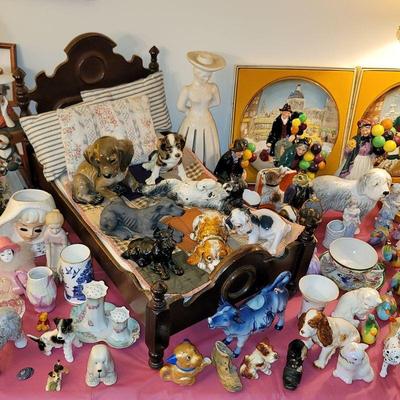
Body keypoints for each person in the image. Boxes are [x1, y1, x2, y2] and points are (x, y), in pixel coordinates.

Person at [177, 51, 226, 171]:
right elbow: (180, 106)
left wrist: (204, 108)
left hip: (207, 121)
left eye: (209, 76)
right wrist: (190, 112)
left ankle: (209, 172)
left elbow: (217, 102)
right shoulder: (187, 89)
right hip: (191, 122)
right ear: (196, 72)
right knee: (188, 144)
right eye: (204, 76)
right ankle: (187, 170)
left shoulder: (213, 87)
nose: (206, 78)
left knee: (209, 147)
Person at [43, 209, 68, 274]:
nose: (55, 231)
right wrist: (49, 265)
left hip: (62, 248)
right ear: (47, 225)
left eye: (58, 228)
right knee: (52, 259)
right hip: (52, 246)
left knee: (61, 262)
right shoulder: (46, 233)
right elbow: (47, 249)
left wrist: (61, 263)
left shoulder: (62, 234)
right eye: (52, 228)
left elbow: (64, 249)